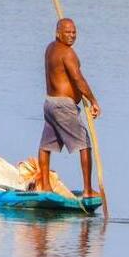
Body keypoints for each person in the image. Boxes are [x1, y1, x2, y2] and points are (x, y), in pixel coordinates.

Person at [36, 18, 101, 197]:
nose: (72, 35)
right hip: (64, 106)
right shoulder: (67, 53)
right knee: (84, 144)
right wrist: (93, 100)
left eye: (74, 32)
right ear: (58, 33)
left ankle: (45, 185)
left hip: (50, 103)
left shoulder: (51, 48)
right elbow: (78, 79)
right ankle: (88, 191)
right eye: (67, 32)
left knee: (46, 145)